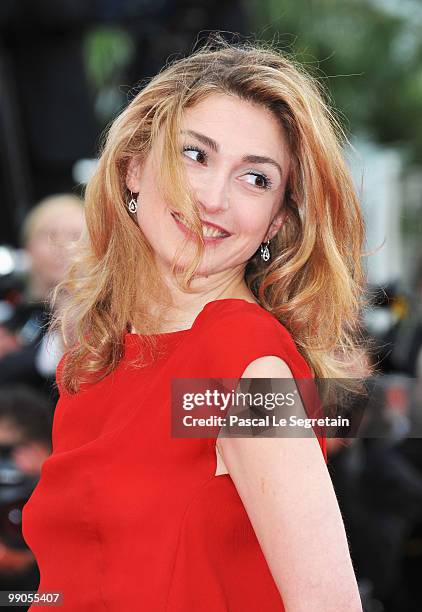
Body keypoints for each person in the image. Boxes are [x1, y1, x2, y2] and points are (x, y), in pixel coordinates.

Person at [22, 34, 370, 611]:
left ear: (276, 222)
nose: (213, 197)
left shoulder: (245, 366)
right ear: (134, 166)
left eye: (254, 178)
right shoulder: (99, 358)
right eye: (195, 154)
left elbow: (329, 604)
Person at [0, 194, 85, 399]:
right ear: (27, 248)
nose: (62, 247)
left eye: (75, 235)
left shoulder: (112, 315)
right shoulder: (11, 317)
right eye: (50, 235)